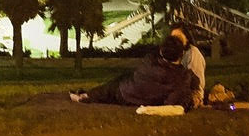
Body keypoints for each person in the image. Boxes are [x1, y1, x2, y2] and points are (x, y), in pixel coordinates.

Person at [71, 34, 200, 110]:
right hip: (140, 100)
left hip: (126, 92)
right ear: (182, 54)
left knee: (113, 87)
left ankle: (86, 96)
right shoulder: (182, 77)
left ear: (161, 51)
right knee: (115, 86)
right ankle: (86, 96)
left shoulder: (149, 62)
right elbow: (188, 89)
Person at [171, 25, 205, 108]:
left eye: (178, 37)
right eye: (173, 38)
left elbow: (196, 81)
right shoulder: (173, 53)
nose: (176, 41)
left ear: (187, 39)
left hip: (192, 93)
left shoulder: (193, 53)